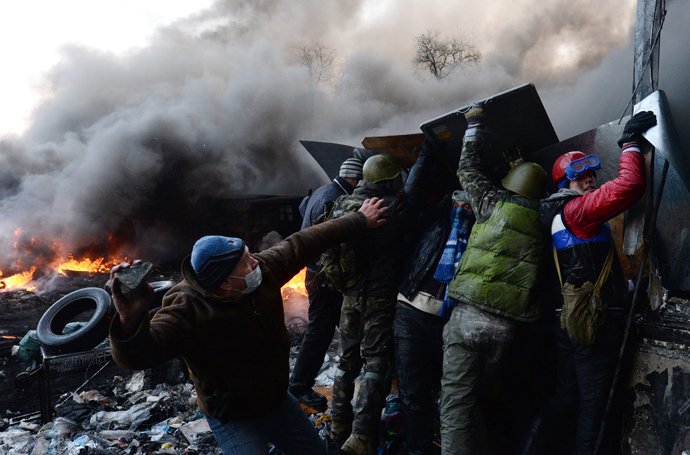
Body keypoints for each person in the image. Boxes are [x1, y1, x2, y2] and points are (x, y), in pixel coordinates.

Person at [107, 197, 388, 455]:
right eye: (245, 262)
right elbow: (139, 355)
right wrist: (130, 318)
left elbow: (303, 242)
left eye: (250, 254)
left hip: (278, 401)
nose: (256, 262)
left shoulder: (262, 273)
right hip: (233, 416)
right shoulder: (186, 308)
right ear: (225, 283)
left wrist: (359, 219)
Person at [517, 110, 657, 455]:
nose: (589, 177)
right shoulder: (577, 211)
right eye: (579, 174)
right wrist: (630, 144)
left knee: (566, 400)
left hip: (568, 323)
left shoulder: (552, 215)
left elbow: (587, 268)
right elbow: (630, 186)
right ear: (564, 182)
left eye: (592, 171)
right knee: (596, 413)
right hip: (593, 325)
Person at [439, 102, 548, 455]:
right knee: (473, 403)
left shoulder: (491, 204)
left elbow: (467, 168)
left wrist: (474, 125)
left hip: (469, 321)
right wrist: (521, 167)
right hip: (506, 331)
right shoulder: (547, 219)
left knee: (454, 407)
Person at [329, 149, 434, 455]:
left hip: (349, 295)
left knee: (346, 361)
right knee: (376, 362)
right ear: (389, 181)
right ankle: (361, 436)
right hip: (378, 297)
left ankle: (339, 426)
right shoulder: (390, 206)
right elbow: (414, 203)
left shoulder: (344, 202)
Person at [394, 189, 475, 455]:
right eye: (457, 204)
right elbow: (414, 197)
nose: (461, 209)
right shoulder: (435, 222)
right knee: (412, 390)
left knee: (441, 391)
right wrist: (429, 152)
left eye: (468, 205)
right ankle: (418, 450)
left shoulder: (477, 237)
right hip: (410, 312)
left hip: (447, 323)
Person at [290, 158, 364, 410]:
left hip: (316, 274)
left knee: (339, 327)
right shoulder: (335, 200)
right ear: (355, 179)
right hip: (323, 277)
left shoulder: (323, 190)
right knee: (320, 331)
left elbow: (302, 210)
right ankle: (298, 385)